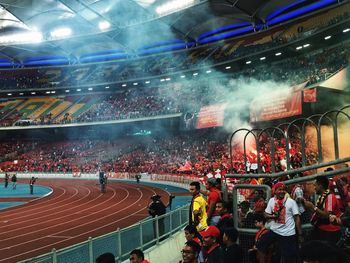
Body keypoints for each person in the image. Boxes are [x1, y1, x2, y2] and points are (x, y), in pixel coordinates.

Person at [256, 182, 302, 263]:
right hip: (275, 231)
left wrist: (300, 234)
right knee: (261, 245)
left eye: (283, 190)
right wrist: (273, 216)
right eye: (279, 190)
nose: (282, 191)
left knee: (289, 257)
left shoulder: (291, 202)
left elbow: (297, 218)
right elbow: (266, 214)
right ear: (275, 191)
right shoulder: (271, 200)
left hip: (288, 233)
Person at [304, 175, 342, 245]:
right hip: (321, 228)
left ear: (320, 186)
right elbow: (319, 213)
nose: (314, 188)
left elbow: (327, 215)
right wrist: (308, 207)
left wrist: (313, 207)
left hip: (330, 231)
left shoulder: (330, 197)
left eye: (315, 185)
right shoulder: (322, 197)